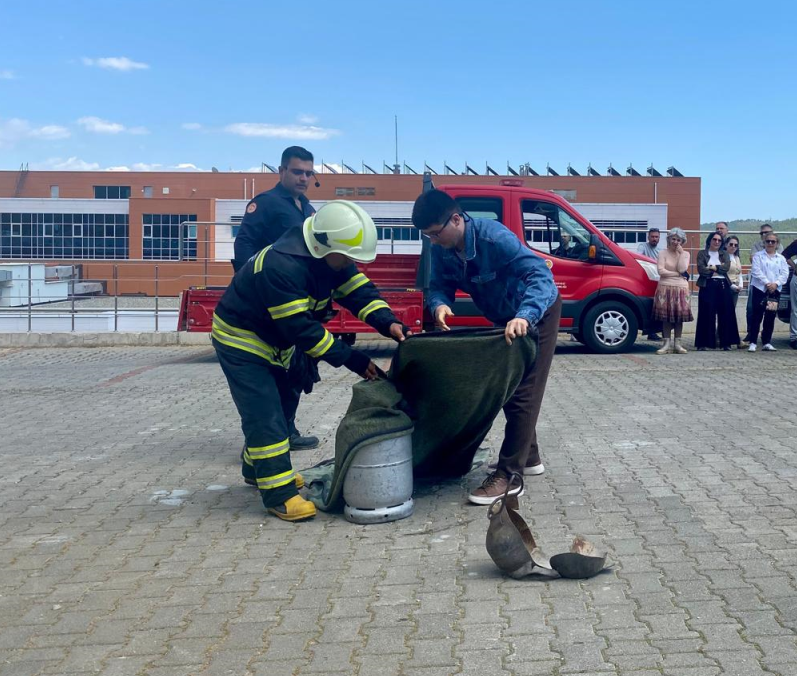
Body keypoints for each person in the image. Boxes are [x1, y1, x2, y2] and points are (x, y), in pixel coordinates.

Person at [212, 201, 406, 522]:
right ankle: (279, 494)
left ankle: (256, 467)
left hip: (277, 340)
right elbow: (302, 329)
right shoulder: (281, 267)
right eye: (347, 257)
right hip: (242, 341)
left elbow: (359, 292)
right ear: (323, 246)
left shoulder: (331, 256)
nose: (350, 263)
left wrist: (389, 323)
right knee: (266, 414)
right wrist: (354, 360)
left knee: (285, 403)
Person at [413, 189, 561, 505]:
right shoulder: (442, 248)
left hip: (538, 311)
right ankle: (529, 456)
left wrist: (525, 316)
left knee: (525, 391)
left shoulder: (494, 238)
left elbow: (541, 276)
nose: (433, 241)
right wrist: (440, 305)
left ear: (456, 219)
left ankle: (510, 476)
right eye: (428, 237)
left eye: (436, 233)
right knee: (508, 386)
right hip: (505, 317)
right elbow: (438, 286)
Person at [232, 146, 322, 450]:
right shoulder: (265, 204)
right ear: (282, 171)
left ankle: (287, 430)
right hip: (268, 305)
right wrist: (252, 290)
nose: (303, 178)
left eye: (308, 173)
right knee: (265, 377)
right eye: (297, 172)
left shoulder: (308, 209)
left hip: (298, 304)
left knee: (296, 371)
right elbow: (244, 246)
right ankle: (260, 442)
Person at [745, 233, 789, 351]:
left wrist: (776, 284)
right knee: (757, 315)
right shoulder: (758, 256)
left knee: (770, 316)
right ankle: (753, 342)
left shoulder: (781, 258)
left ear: (777, 244)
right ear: (764, 243)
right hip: (760, 289)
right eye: (768, 241)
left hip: (775, 291)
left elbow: (785, 273)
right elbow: (756, 271)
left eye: (773, 241)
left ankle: (767, 342)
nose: (770, 243)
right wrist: (767, 283)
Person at [653, 228, 692, 354]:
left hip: (681, 288)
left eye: (678, 240)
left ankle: (678, 344)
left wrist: (681, 254)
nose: (675, 242)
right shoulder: (662, 253)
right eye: (673, 239)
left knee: (679, 317)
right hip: (665, 287)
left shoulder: (686, 254)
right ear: (669, 239)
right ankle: (666, 344)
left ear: (682, 241)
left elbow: (682, 269)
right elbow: (661, 271)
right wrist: (676, 274)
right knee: (666, 317)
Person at [695, 232, 736, 350]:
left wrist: (712, 267)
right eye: (714, 239)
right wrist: (717, 269)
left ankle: (726, 343)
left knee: (726, 313)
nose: (717, 242)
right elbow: (701, 270)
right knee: (706, 313)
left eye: (719, 240)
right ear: (709, 240)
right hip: (707, 284)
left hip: (723, 284)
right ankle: (704, 343)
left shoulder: (724, 254)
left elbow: (726, 268)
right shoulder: (702, 253)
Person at [636, 228, 662, 339]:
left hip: (658, 281)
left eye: (656, 237)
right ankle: (650, 333)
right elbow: (638, 256)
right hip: (645, 280)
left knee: (657, 307)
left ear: (659, 238)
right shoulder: (643, 246)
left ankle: (655, 332)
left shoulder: (660, 251)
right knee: (649, 306)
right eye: (652, 237)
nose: (654, 239)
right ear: (648, 237)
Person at [723, 235, 745, 346]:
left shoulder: (737, 258)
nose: (733, 247)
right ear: (726, 245)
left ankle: (728, 338)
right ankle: (728, 338)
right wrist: (732, 286)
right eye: (731, 244)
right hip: (727, 287)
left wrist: (740, 285)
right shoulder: (723, 257)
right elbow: (723, 273)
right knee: (726, 314)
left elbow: (739, 273)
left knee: (730, 314)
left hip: (736, 288)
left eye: (735, 245)